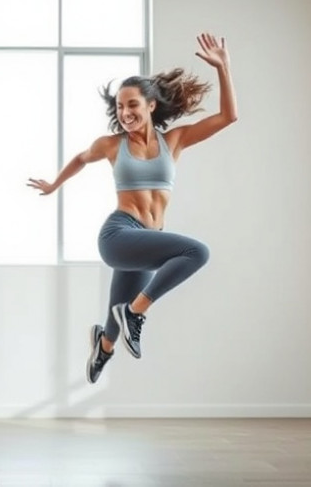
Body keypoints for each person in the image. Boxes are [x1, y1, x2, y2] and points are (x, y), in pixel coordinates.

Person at [27, 33, 238, 384]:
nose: (125, 113)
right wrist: (53, 185)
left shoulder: (174, 141)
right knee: (196, 252)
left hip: (147, 238)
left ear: (150, 106)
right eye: (120, 107)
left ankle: (104, 345)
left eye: (132, 106)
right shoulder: (111, 145)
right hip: (120, 234)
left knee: (115, 317)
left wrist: (224, 69)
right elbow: (81, 159)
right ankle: (135, 313)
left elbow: (229, 117)